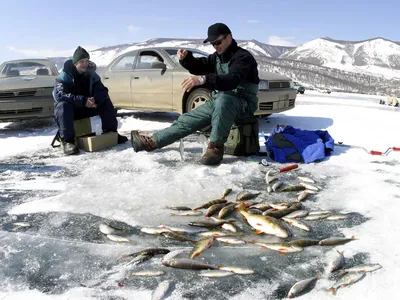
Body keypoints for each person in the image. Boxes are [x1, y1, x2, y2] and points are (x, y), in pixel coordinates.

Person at [130, 23, 260, 165]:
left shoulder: (243, 57)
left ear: (229, 37)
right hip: (221, 102)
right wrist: (186, 59)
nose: (216, 46)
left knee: (223, 99)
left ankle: (215, 147)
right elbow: (200, 65)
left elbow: (232, 80)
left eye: (218, 42)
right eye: (213, 44)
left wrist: (204, 79)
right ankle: (153, 142)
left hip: (243, 103)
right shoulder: (216, 57)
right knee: (188, 119)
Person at [53, 46, 128, 155]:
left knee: (105, 101)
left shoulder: (92, 75)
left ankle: (111, 133)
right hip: (72, 110)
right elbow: (60, 95)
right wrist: (83, 100)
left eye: (87, 61)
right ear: (75, 63)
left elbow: (103, 91)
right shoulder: (64, 76)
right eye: (82, 61)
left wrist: (95, 99)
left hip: (88, 107)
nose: (85, 64)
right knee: (63, 105)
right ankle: (68, 142)